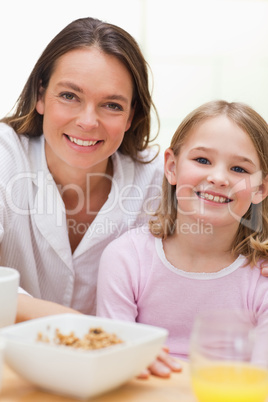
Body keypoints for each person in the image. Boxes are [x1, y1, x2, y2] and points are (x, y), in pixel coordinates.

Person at [97, 100, 268, 361]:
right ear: (172, 167)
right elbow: (114, 361)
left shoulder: (261, 278)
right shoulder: (126, 258)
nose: (218, 178)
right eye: (202, 160)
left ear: (260, 189)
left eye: (238, 169)